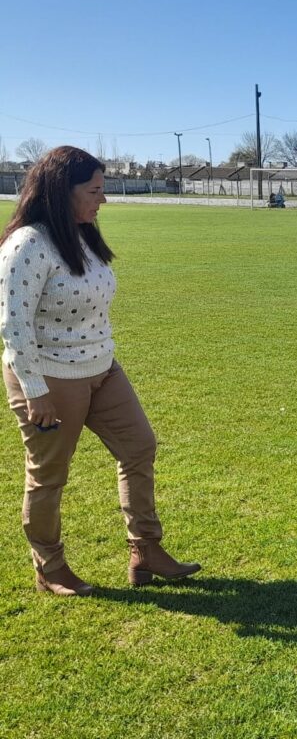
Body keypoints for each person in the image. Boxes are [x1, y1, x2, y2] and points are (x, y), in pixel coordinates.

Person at [0, 146, 201, 596]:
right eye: (94, 190)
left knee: (139, 447)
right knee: (48, 476)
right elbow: (13, 327)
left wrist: (102, 360)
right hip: (50, 378)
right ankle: (50, 568)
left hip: (101, 368)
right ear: (60, 191)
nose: (103, 200)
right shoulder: (27, 245)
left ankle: (145, 551)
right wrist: (36, 391)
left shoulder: (84, 234)